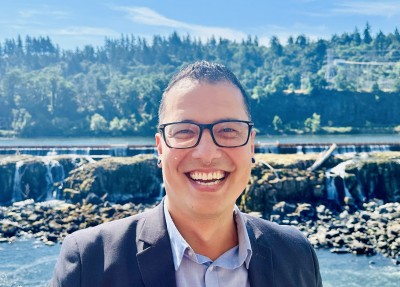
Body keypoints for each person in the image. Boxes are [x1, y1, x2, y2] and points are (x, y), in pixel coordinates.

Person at [50, 61, 322, 287]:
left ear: (251, 145)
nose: (206, 153)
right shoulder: (90, 262)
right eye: (184, 131)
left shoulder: (297, 255)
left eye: (228, 130)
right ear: (160, 147)